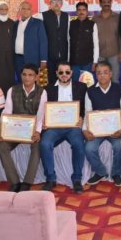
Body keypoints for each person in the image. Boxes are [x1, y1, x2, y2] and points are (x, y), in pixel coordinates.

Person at [38, 61, 87, 193]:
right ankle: (50, 178)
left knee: (78, 144)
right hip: (54, 127)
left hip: (73, 126)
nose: (64, 74)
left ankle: (77, 179)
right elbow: (43, 109)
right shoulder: (48, 89)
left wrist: (82, 117)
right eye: (61, 72)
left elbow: (86, 107)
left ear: (71, 73)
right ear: (56, 73)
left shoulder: (81, 87)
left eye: (67, 72)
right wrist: (44, 121)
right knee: (44, 144)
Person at [83, 62, 121, 186]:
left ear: (111, 74)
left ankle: (116, 174)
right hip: (97, 131)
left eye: (105, 72)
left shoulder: (119, 89)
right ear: (96, 75)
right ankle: (100, 172)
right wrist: (85, 130)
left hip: (116, 130)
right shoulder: (90, 91)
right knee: (89, 148)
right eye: (99, 73)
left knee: (119, 146)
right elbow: (87, 113)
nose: (102, 75)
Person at [0, 64, 45, 192]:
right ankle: (14, 182)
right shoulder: (12, 90)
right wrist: (2, 131)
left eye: (30, 75)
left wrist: (37, 132)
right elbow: (7, 112)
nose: (27, 78)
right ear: (20, 75)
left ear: (36, 77)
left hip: (32, 130)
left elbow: (41, 115)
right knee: (1, 146)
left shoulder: (42, 92)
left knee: (37, 145)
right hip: (14, 130)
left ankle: (27, 182)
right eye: (24, 74)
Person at [12, 1, 48, 80]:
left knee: (33, 81)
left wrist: (43, 60)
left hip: (33, 59)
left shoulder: (38, 23)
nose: (25, 11)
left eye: (28, 9)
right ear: (19, 10)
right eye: (23, 8)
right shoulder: (15, 24)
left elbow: (43, 42)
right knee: (20, 81)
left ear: (31, 11)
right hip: (18, 59)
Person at [93, 0, 121, 84]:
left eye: (108, 2)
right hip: (100, 55)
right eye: (104, 2)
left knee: (115, 80)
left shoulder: (117, 17)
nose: (106, 4)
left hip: (114, 54)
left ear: (111, 3)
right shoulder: (95, 18)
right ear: (100, 4)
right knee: (101, 80)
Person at [40, 0, 69, 78]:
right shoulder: (43, 15)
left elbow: (68, 36)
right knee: (48, 79)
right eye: (54, 1)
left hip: (63, 55)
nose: (56, 3)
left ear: (62, 4)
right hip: (49, 56)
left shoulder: (66, 16)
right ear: (50, 4)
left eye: (59, 1)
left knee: (62, 78)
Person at [69, 1, 99, 81]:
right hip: (74, 62)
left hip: (88, 62)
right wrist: (68, 60)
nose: (81, 12)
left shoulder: (92, 24)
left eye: (83, 10)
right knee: (75, 84)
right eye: (79, 10)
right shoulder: (71, 24)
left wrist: (95, 62)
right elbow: (68, 43)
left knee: (87, 84)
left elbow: (96, 44)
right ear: (76, 11)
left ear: (87, 11)